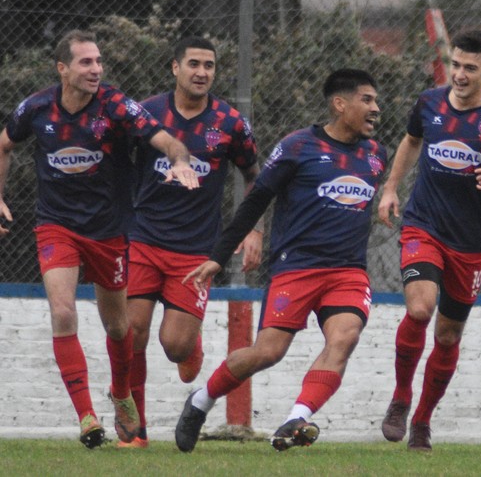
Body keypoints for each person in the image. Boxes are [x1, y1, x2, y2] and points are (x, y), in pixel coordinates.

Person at [0, 30, 199, 448]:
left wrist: (179, 161)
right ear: (63, 69)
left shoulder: (115, 106)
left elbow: (166, 140)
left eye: (98, 62)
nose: (96, 69)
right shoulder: (36, 108)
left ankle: (121, 392)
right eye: (86, 62)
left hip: (108, 231)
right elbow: (4, 144)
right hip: (56, 226)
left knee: (117, 324)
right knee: (63, 312)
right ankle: (87, 416)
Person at [173, 68, 386, 453]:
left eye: (376, 101)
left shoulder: (375, 155)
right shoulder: (297, 147)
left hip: (348, 272)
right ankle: (201, 401)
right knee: (267, 352)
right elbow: (256, 200)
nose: (376, 109)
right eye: (367, 100)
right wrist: (219, 258)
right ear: (340, 104)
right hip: (296, 267)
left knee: (345, 337)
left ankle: (295, 418)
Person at [378, 30, 481, 451]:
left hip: (469, 242)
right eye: (455, 64)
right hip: (422, 226)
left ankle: (422, 422)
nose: (460, 74)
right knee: (419, 308)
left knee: (448, 336)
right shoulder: (429, 102)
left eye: (470, 67)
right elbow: (411, 141)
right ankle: (400, 397)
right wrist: (392, 187)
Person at [120, 37, 262, 448]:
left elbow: (256, 177)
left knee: (174, 346)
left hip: (195, 251)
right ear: (175, 68)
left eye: (210, 66)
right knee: (132, 334)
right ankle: (136, 429)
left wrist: (254, 230)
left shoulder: (230, 123)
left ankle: (190, 345)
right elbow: (118, 161)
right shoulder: (147, 114)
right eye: (195, 64)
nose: (202, 72)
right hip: (143, 239)